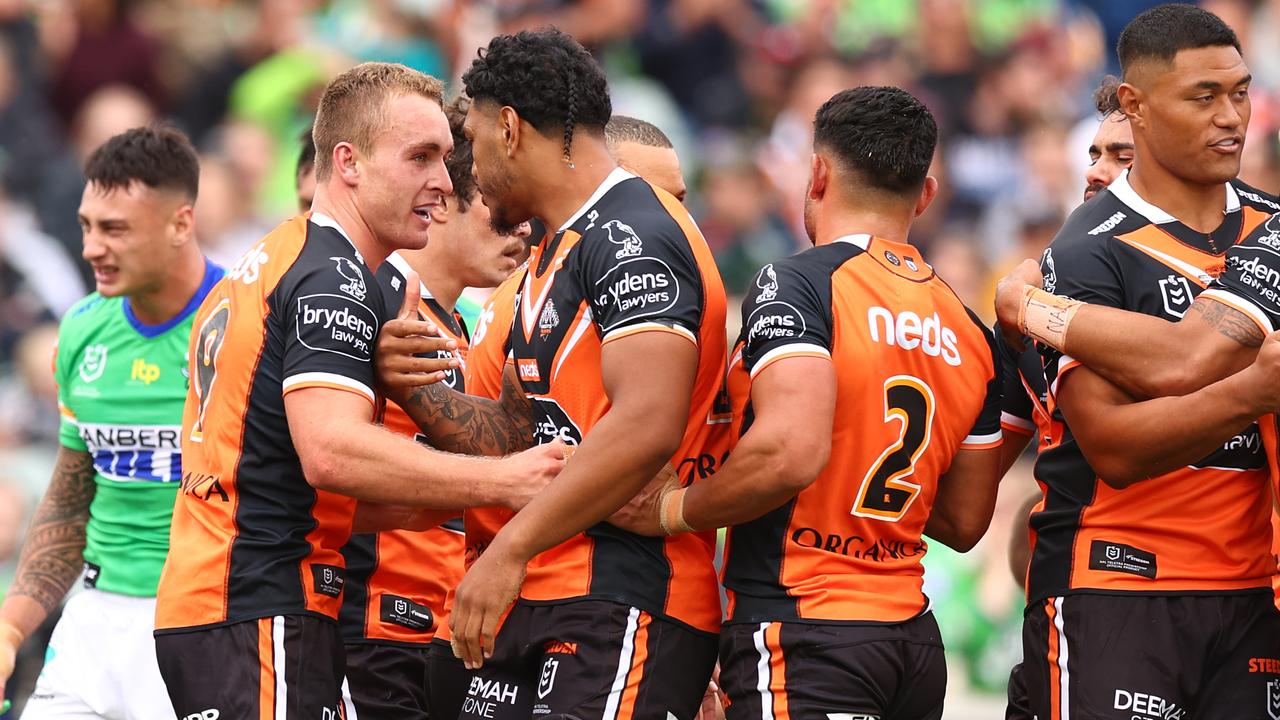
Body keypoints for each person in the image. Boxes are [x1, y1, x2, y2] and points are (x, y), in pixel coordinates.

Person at [151, 62, 565, 720]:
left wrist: (428, 499)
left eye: (446, 158)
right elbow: (331, 452)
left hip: (235, 603)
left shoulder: (279, 259)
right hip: (259, 605)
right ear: (348, 162)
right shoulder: (332, 277)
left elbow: (280, 478)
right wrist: (502, 481)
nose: (441, 181)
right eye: (420, 157)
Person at [377, 29, 727, 719]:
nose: (460, 176)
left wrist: (509, 549)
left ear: (509, 129)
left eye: (471, 143)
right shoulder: (553, 252)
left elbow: (646, 425)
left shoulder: (635, 233)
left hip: (623, 595)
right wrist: (414, 389)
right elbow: (513, 438)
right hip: (539, 594)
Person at [622, 86, 1002, 720]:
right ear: (926, 194)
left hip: (805, 626)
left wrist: (673, 510)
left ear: (818, 173)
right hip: (910, 639)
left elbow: (789, 453)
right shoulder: (969, 327)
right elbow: (964, 523)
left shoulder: (797, 282)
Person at [993, 6, 1280, 718]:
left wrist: (1028, 309)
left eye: (1240, 92)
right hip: (1117, 589)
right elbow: (1115, 449)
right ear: (1136, 106)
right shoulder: (1087, 248)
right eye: (1203, 97)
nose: (1230, 118)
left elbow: (1186, 360)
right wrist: (1253, 391)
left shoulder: (1273, 224)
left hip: (1254, 593)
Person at [0, 126, 221, 719]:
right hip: (94, 618)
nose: (92, 247)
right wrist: (11, 629)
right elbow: (73, 497)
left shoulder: (244, 323)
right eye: (87, 226)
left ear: (180, 223)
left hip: (203, 619)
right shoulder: (80, 329)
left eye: (115, 229)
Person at [338, 95, 532, 720]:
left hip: (447, 638)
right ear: (444, 201)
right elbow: (323, 461)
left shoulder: (473, 329)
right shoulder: (372, 304)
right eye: (501, 212)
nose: (523, 232)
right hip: (369, 630)